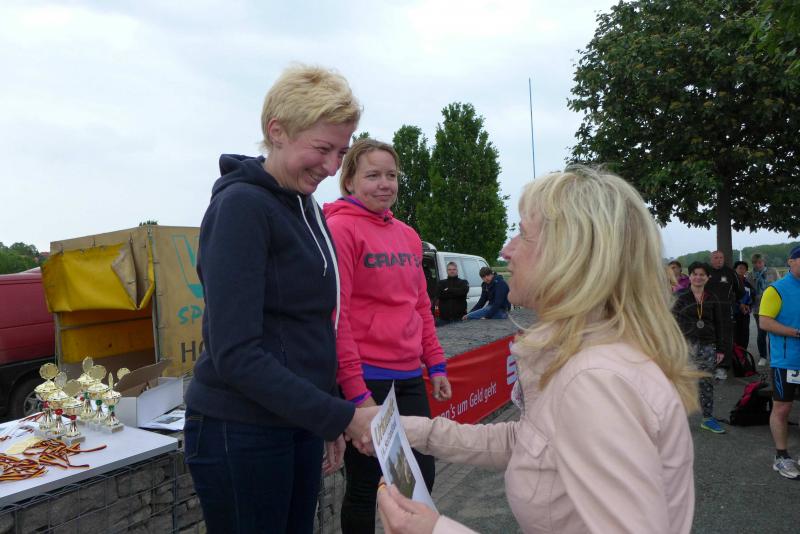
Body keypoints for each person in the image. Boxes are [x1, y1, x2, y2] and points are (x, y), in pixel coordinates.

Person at [375, 166, 698, 533]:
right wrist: (417, 432)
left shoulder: (596, 380)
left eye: (522, 234)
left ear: (569, 255)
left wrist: (435, 531)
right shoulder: (585, 353)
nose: (506, 250)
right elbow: (532, 443)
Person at [183, 65, 374, 534]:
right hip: (240, 428)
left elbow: (312, 325)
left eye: (341, 152)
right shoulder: (241, 208)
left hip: (293, 421)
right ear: (278, 131)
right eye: (322, 149)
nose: (332, 167)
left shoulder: (306, 206)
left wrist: (322, 415)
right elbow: (236, 353)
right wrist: (338, 416)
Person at [323, 138, 453, 534]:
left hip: (409, 376)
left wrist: (436, 363)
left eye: (391, 175)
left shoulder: (409, 235)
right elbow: (338, 316)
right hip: (366, 379)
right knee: (366, 486)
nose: (385, 184)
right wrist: (356, 393)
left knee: (421, 478)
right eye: (373, 175)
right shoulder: (340, 228)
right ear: (349, 181)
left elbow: (419, 305)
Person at [757, 245, 800, 479]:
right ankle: (781, 456)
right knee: (782, 408)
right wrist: (796, 333)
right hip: (786, 361)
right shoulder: (776, 289)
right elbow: (765, 322)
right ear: (790, 262)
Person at [673, 262, 726, 433]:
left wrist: (721, 348)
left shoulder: (712, 298)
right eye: (695, 274)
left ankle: (707, 419)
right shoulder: (680, 297)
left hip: (707, 345)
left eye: (702, 274)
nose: (698, 277)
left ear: (707, 278)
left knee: (706, 382)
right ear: (689, 276)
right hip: (685, 346)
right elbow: (672, 323)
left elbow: (719, 323)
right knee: (682, 382)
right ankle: (677, 420)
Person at [706, 250, 743, 380]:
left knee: (725, 338)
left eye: (721, 257)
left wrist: (731, 301)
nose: (719, 260)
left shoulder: (730, 273)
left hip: (725, 310)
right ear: (711, 259)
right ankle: (708, 365)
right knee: (708, 336)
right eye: (716, 257)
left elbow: (740, 291)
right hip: (707, 309)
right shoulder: (705, 271)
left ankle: (722, 367)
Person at [746, 253, 780, 367]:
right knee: (761, 334)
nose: (758, 265)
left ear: (764, 262)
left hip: (773, 307)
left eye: (760, 262)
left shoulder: (773, 271)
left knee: (773, 334)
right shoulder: (750, 275)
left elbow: (779, 286)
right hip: (758, 308)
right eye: (755, 263)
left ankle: (774, 357)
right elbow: (748, 291)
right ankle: (763, 356)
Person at [732, 260, 754, 349]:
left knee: (745, 335)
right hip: (734, 314)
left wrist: (748, 305)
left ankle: (743, 355)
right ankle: (735, 355)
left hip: (745, 314)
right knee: (735, 336)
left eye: (744, 268)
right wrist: (739, 305)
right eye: (740, 268)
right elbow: (730, 297)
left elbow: (752, 297)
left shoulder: (748, 284)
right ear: (735, 270)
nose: (742, 270)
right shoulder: (731, 283)